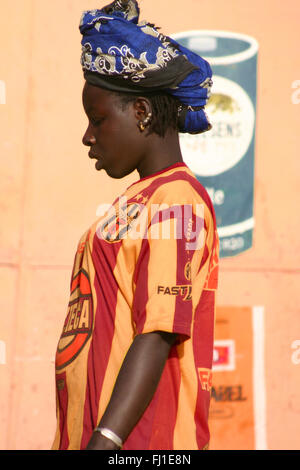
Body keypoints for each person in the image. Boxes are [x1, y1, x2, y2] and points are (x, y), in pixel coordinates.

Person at [52, 0, 219, 451]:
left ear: (142, 112)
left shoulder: (177, 202)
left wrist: (106, 440)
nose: (88, 136)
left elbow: (157, 331)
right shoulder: (135, 203)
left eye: (99, 119)